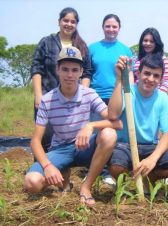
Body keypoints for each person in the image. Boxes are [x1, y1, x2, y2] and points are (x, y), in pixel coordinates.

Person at [24, 47, 122, 206]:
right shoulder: (47, 100)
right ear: (57, 70)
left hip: (84, 146)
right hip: (60, 150)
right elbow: (35, 141)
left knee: (109, 134)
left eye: (75, 70)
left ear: (81, 72)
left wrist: (91, 125)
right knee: (32, 183)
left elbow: (117, 123)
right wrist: (48, 166)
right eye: (65, 69)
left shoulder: (89, 94)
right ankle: (64, 176)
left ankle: (86, 187)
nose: (70, 75)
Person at [108, 54, 168, 191]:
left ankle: (149, 177)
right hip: (125, 146)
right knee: (116, 165)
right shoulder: (127, 91)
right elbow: (113, 114)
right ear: (138, 73)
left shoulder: (162, 98)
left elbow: (167, 134)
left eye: (156, 76)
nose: (150, 79)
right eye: (147, 73)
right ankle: (124, 186)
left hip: (150, 146)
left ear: (161, 79)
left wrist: (152, 159)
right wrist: (119, 80)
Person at [31, 7, 91, 152]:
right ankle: (41, 168)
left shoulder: (81, 46)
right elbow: (36, 68)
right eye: (66, 20)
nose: (69, 24)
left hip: (73, 99)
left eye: (73, 21)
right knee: (45, 136)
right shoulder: (46, 42)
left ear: (76, 24)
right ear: (59, 22)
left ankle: (64, 166)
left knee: (70, 137)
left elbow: (87, 72)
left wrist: (85, 94)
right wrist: (38, 95)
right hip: (48, 96)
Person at [89, 14, 132, 185]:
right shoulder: (92, 48)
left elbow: (130, 76)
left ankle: (108, 171)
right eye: (108, 26)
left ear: (119, 29)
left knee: (114, 133)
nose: (111, 29)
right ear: (102, 27)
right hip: (96, 96)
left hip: (117, 97)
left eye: (114, 26)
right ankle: (91, 169)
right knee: (95, 134)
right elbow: (87, 72)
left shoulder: (126, 50)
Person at [133, 27, 168, 93]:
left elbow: (166, 81)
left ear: (157, 43)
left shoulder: (163, 59)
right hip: (137, 95)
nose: (148, 43)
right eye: (145, 40)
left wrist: (158, 97)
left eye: (151, 41)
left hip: (155, 96)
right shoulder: (136, 59)